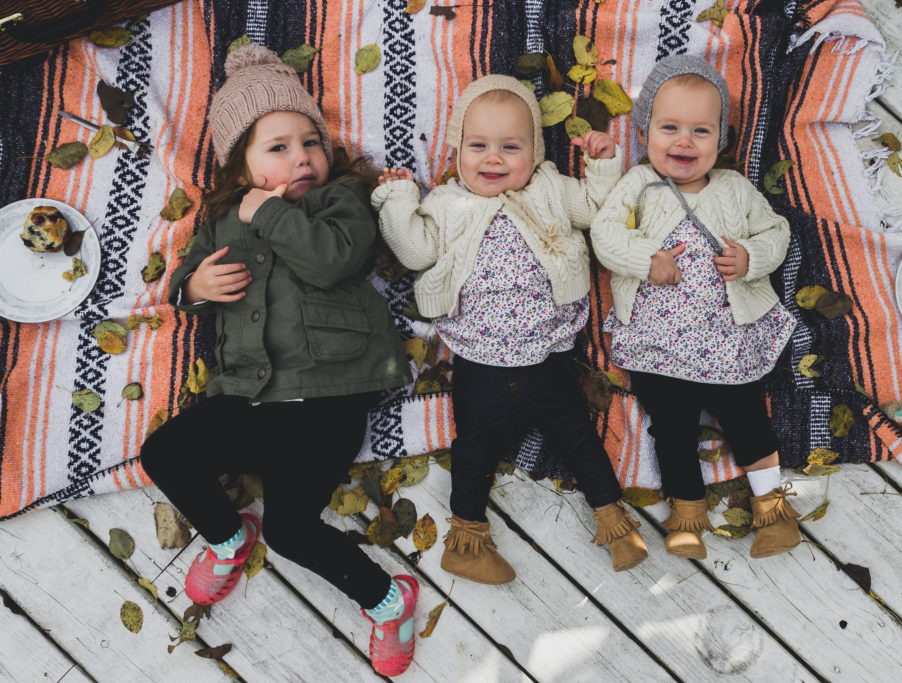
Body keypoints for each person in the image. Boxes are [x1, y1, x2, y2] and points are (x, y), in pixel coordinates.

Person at [139, 44, 417, 677]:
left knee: (293, 531)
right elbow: (191, 276)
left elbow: (331, 259)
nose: (302, 158)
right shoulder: (220, 223)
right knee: (164, 455)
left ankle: (387, 599)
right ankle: (229, 534)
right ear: (240, 169)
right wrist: (193, 288)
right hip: (248, 396)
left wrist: (267, 211)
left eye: (310, 142)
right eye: (278, 147)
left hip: (329, 396)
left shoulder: (340, 203)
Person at [371, 75, 648, 584]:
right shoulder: (446, 203)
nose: (493, 159)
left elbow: (594, 208)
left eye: (510, 147)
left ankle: (615, 523)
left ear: (535, 152)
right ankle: (466, 542)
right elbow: (415, 251)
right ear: (457, 151)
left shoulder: (548, 187)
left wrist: (603, 164)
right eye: (478, 146)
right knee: (474, 450)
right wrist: (396, 199)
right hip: (478, 364)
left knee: (580, 439)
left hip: (547, 358)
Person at [591, 54, 801, 561]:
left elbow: (777, 231)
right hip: (658, 343)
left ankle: (772, 507)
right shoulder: (637, 186)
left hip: (728, 338)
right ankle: (687, 513)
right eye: (670, 128)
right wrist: (647, 259)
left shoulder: (734, 189)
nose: (684, 142)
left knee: (746, 415)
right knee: (672, 425)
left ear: (720, 140)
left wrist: (751, 258)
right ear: (645, 133)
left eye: (700, 131)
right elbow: (604, 235)